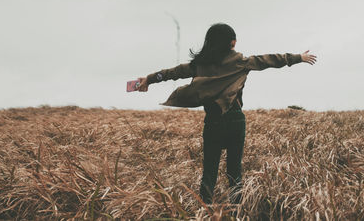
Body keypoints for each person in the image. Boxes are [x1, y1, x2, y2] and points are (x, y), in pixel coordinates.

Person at [135, 23, 317, 205]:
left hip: (213, 121)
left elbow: (171, 73)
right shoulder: (241, 62)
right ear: (232, 43)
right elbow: (270, 60)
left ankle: (204, 211)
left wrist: (149, 79)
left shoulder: (199, 65)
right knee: (234, 172)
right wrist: (299, 57)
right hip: (235, 120)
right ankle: (237, 212)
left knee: (209, 173)